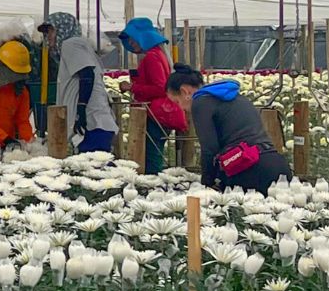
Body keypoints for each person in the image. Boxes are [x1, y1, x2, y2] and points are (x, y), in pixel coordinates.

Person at [166, 64, 290, 194]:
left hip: (249, 170)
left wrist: (206, 186)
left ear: (185, 91)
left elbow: (209, 148)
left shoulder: (200, 102)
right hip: (276, 164)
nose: (181, 108)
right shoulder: (234, 96)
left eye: (177, 102)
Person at [39, 13, 118, 153]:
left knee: (93, 168)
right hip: (94, 123)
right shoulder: (77, 46)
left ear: (63, 29)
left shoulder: (70, 44)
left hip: (91, 123)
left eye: (51, 30)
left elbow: (87, 73)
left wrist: (81, 110)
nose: (48, 36)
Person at [118, 17, 186, 174]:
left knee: (151, 156)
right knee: (153, 154)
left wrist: (132, 87)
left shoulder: (151, 57)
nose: (132, 43)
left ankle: (154, 188)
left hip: (155, 114)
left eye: (133, 39)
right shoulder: (158, 54)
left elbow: (161, 88)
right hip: (158, 114)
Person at [0, 40, 35, 151]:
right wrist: (5, 138)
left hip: (6, 146)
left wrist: (30, 141)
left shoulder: (21, 91)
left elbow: (22, 121)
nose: (17, 79)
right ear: (2, 67)